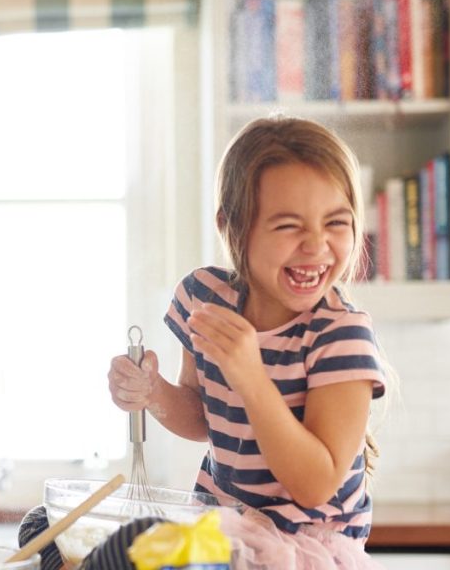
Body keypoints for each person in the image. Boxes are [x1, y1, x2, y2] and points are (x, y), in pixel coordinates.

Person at [101, 115, 389, 568]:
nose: (316, 245)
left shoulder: (340, 335)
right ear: (231, 225)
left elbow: (314, 484)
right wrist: (152, 392)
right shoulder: (204, 298)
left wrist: (252, 379)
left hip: (302, 548)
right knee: (58, 531)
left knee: (126, 553)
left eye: (336, 222)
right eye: (289, 226)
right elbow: (202, 418)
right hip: (225, 529)